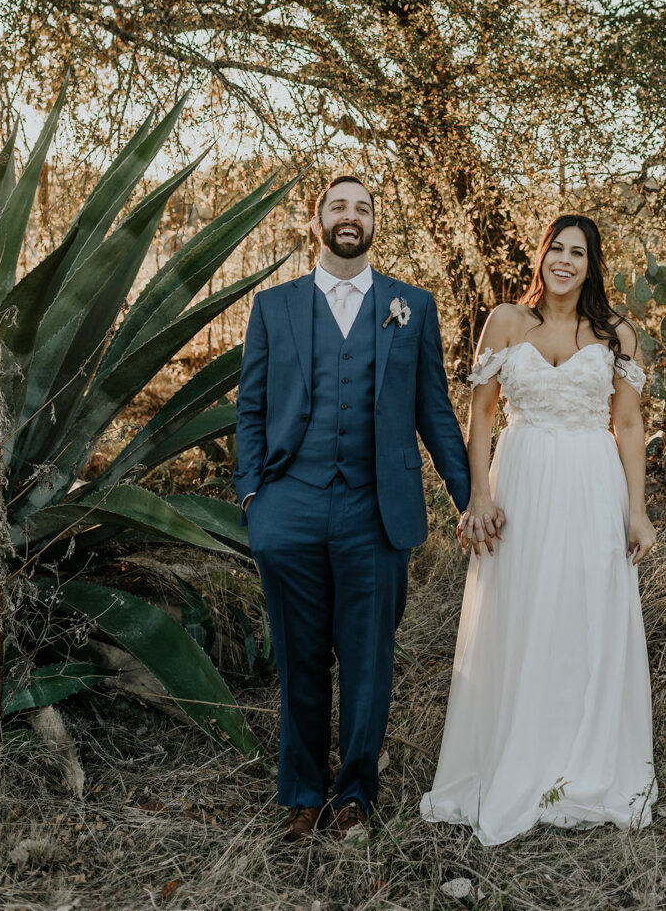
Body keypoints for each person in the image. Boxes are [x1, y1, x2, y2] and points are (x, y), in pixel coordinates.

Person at [234, 176, 471, 842]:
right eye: (338, 206)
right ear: (317, 221)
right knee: (301, 658)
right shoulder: (272, 307)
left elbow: (435, 413)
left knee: (368, 660)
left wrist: (469, 498)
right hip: (290, 508)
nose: (350, 216)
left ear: (372, 224)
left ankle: (354, 794)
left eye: (362, 208)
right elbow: (249, 409)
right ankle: (303, 793)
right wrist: (253, 495)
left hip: (376, 511)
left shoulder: (410, 306)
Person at [420, 214, 657, 845]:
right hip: (520, 483)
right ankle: (511, 757)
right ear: (541, 255)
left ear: (591, 265)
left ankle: (579, 766)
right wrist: (479, 495)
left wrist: (637, 509)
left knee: (584, 618)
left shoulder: (616, 334)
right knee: (518, 614)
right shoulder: (504, 322)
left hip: (589, 484)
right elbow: (482, 415)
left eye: (578, 253)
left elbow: (628, 426)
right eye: (557, 248)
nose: (565, 260)